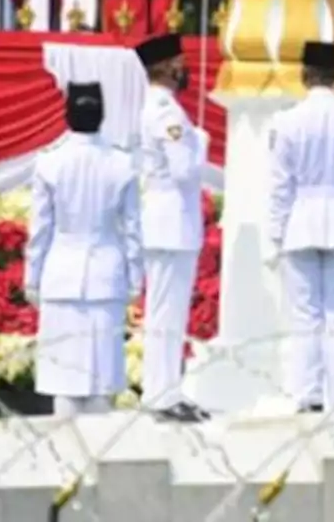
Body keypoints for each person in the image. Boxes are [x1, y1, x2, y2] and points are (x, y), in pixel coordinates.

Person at [266, 41, 334, 414]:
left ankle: (307, 393)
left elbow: (281, 185)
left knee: (305, 313)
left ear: (305, 74)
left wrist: (276, 232)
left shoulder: (288, 120)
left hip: (301, 219)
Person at [25, 82, 142, 418]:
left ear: (67, 114)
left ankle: (67, 463)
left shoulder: (50, 162)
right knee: (101, 374)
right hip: (106, 273)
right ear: (101, 115)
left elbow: (40, 229)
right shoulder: (121, 163)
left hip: (61, 272)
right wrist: (135, 279)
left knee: (64, 377)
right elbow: (132, 229)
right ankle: (96, 462)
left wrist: (32, 278)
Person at [134, 33, 209, 423]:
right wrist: (202, 143)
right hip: (170, 220)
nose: (185, 68)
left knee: (168, 311)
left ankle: (165, 390)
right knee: (166, 312)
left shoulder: (161, 107)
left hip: (166, 220)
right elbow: (183, 169)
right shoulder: (166, 112)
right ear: (165, 67)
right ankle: (161, 395)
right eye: (178, 61)